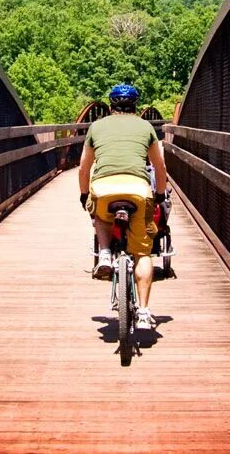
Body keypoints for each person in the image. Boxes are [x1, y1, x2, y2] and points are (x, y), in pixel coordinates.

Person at [79, 84, 167, 330]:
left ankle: (105, 253)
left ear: (110, 106)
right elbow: (159, 168)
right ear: (136, 107)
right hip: (138, 190)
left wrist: (84, 194)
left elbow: (84, 168)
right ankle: (143, 312)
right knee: (143, 254)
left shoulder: (96, 126)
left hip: (105, 188)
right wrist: (159, 195)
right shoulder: (146, 127)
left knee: (99, 210)